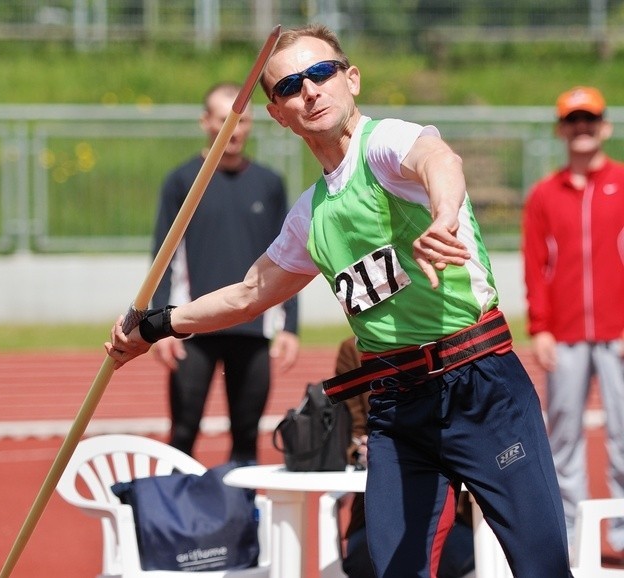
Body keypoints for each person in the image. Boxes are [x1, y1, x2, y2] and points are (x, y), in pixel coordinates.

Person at [107, 24, 573, 577]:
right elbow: (249, 293)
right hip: (398, 404)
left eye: (321, 73)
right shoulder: (310, 215)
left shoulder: (385, 146)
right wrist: (156, 326)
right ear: (277, 114)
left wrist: (444, 217)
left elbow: (439, 160)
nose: (310, 90)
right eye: (289, 86)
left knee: (542, 567)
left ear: (350, 78)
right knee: (389, 568)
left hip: (480, 384)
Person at [149, 82, 300, 463]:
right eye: (224, 119)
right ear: (206, 122)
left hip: (252, 329)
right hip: (192, 328)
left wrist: (290, 327)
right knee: (183, 432)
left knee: (248, 438)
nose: (234, 129)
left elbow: (290, 258)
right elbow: (163, 257)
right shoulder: (182, 180)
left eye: (242, 120)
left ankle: (243, 519)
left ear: (251, 125)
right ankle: (175, 518)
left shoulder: (269, 184)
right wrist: (161, 323)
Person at [522, 85, 624, 563]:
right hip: (563, 333)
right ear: (562, 129)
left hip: (618, 333)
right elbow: (535, 262)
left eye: (590, 119)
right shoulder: (544, 194)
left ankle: (623, 536)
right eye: (573, 120)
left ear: (604, 126)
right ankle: (570, 536)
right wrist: (541, 327)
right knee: (563, 435)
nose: (582, 128)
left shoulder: (623, 184)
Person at [336, 337, 475, 578]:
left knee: (441, 555)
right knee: (370, 559)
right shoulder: (352, 349)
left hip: (455, 519)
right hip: (375, 517)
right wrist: (363, 448)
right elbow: (350, 434)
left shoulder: (455, 340)